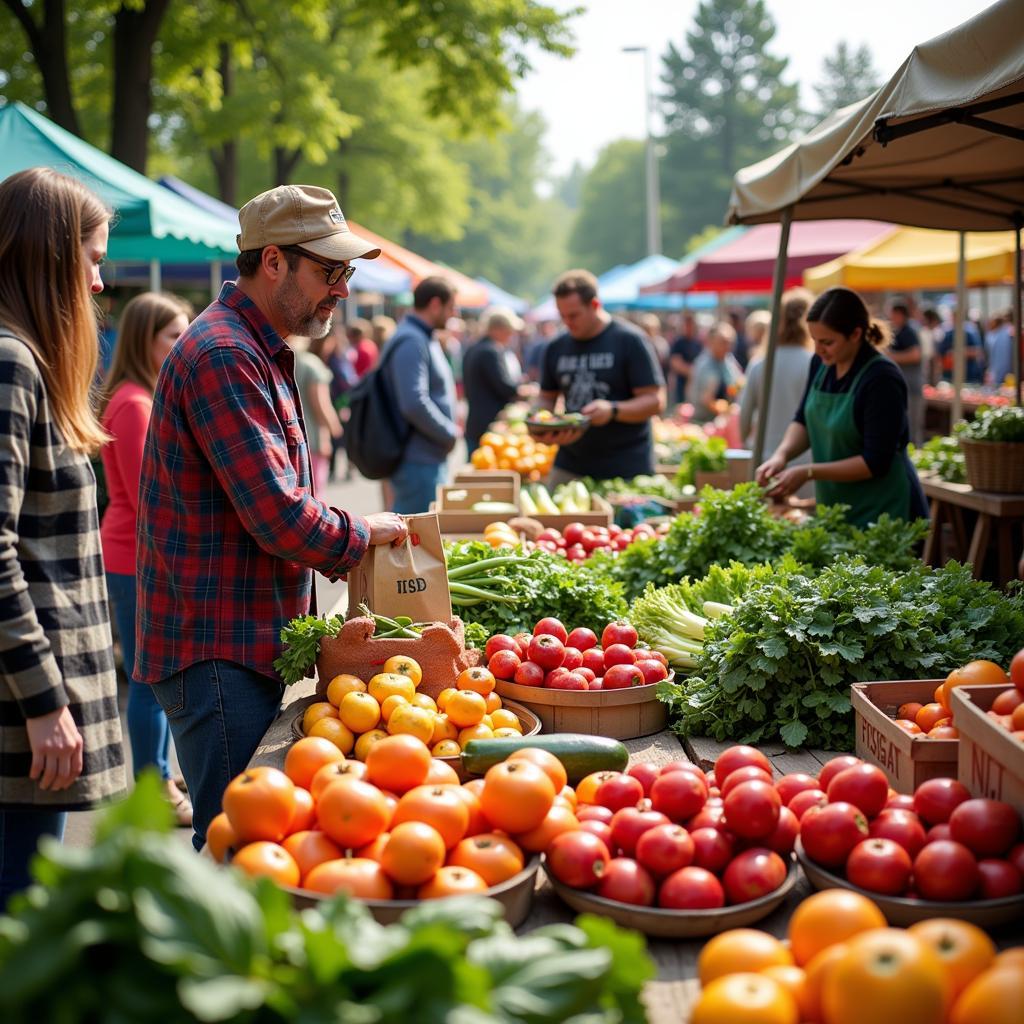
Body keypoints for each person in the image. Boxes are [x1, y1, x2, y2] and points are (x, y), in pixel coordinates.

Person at [135, 184, 408, 850]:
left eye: (347, 273)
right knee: (240, 847)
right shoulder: (227, 354)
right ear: (275, 263)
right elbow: (278, 514)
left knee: (250, 841)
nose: (342, 289)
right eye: (330, 271)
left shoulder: (256, 347)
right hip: (219, 649)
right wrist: (361, 532)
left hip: (239, 640)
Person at [0, 168, 127, 903]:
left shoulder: (25, 361)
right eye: (94, 258)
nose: (101, 283)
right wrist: (46, 701)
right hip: (22, 712)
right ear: (51, 258)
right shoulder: (11, 362)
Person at [99, 292, 193, 827]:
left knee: (150, 676)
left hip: (139, 552)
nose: (182, 345)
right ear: (145, 340)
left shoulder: (141, 395)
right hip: (138, 555)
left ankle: (156, 774)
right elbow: (146, 496)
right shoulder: (134, 403)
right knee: (148, 678)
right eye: (172, 336)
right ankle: (151, 786)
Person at [756, 286, 927, 528]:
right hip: (838, 509)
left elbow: (875, 462)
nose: (817, 350)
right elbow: (803, 418)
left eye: (827, 342)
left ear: (856, 334)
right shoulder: (821, 363)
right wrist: (780, 456)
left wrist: (808, 472)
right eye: (814, 340)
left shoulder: (881, 378)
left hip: (884, 512)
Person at [536, 270, 665, 482]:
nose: (567, 322)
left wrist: (613, 410)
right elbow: (546, 398)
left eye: (574, 315)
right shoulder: (555, 347)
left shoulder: (630, 340)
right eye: (562, 316)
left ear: (595, 305)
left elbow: (656, 401)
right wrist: (543, 424)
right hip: (571, 464)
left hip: (626, 466)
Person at [382, 276, 459, 513]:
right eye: (451, 308)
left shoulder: (420, 336)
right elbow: (413, 402)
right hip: (417, 462)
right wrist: (448, 432)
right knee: (418, 541)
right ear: (435, 304)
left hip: (425, 458)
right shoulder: (411, 340)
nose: (453, 314)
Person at [739, 289, 813, 494]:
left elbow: (743, 416)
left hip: (766, 462)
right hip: (807, 467)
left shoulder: (760, 364)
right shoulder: (814, 364)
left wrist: (748, 444)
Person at [462, 306, 528, 456]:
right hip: (488, 425)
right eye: (509, 330)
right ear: (498, 329)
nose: (511, 335)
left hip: (475, 423)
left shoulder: (474, 348)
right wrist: (525, 391)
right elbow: (505, 387)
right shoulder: (491, 351)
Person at [290, 334, 343, 493]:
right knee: (315, 492)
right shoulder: (313, 365)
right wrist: (335, 429)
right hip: (314, 438)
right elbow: (321, 405)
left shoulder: (285, 361)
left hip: (292, 438)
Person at [687, 321, 744, 425]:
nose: (728, 347)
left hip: (722, 422)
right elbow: (707, 400)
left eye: (730, 342)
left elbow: (738, 383)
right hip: (704, 422)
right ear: (711, 342)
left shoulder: (728, 360)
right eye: (723, 342)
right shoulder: (705, 365)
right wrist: (726, 410)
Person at [888, 302, 924, 446]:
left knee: (912, 427)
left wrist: (891, 357)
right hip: (905, 387)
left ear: (900, 314)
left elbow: (915, 355)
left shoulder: (909, 331)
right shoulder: (900, 331)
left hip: (912, 387)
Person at [938, 309, 986, 384]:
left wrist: (959, 352)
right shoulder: (949, 334)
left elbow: (977, 351)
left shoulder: (970, 332)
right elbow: (941, 354)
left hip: (969, 375)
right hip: (951, 375)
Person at [668, 312, 702, 405]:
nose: (689, 327)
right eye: (687, 324)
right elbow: (675, 363)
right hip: (681, 384)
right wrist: (693, 371)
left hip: (695, 384)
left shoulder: (697, 343)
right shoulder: (678, 343)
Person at [985, 310, 1014, 388]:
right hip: (999, 376)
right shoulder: (997, 334)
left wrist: (997, 378)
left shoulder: (1003, 335)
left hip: (1002, 377)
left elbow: (1003, 359)